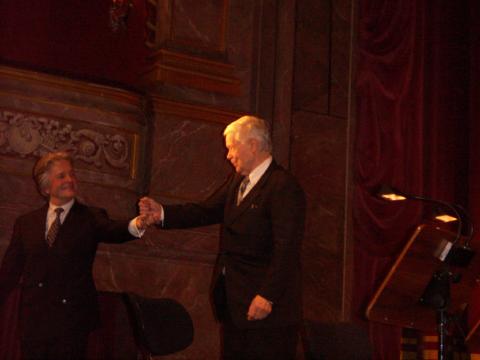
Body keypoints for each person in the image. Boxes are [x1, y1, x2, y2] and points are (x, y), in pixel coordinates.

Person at [140, 115, 306, 359]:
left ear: (252, 145)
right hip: (235, 302)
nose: (228, 155)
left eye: (232, 148)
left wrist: (267, 295)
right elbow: (205, 210)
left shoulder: (283, 186)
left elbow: (287, 248)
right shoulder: (238, 181)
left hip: (267, 312)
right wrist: (162, 213)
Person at [0, 151, 149, 360]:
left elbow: (114, 230)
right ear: (45, 186)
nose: (69, 180)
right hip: (34, 322)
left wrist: (138, 223)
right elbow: (9, 271)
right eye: (61, 176)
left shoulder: (90, 217)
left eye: (71, 174)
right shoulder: (26, 223)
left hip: (71, 322)